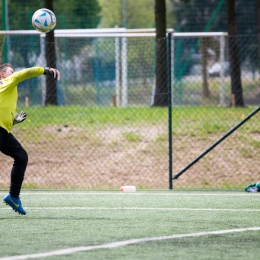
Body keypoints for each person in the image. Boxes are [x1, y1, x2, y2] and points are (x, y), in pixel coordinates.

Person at [0, 63, 60, 215]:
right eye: (11, 72)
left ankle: (14, 197)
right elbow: (25, 73)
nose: (13, 74)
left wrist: (13, 121)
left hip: (3, 131)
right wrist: (46, 70)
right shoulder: (8, 81)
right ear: (2, 74)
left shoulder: (6, 88)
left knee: (21, 156)